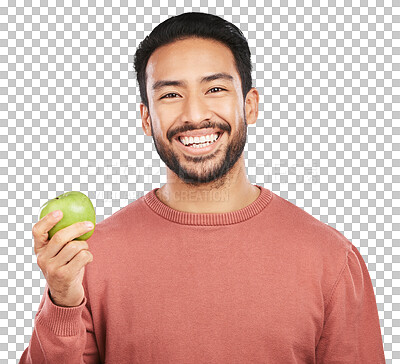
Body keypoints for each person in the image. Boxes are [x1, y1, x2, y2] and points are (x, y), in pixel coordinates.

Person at [20, 12, 385, 364]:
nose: (195, 115)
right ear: (147, 118)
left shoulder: (331, 259)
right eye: (170, 95)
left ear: (250, 105)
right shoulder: (90, 258)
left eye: (214, 88)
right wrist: (63, 303)